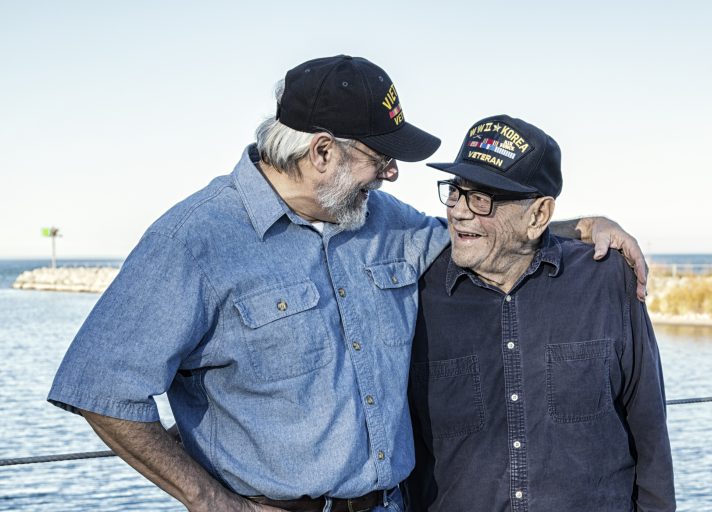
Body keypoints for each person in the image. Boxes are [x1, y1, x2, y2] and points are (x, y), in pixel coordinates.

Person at [48, 57, 648, 512]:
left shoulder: (380, 217)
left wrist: (584, 224)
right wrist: (211, 502)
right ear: (324, 152)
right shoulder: (195, 240)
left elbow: (479, 230)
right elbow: (100, 388)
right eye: (380, 157)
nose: (392, 173)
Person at [406, 115, 675, 512]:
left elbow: (649, 431)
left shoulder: (608, 281)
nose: (460, 212)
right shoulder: (417, 295)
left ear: (538, 215)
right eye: (455, 192)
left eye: (481, 199)